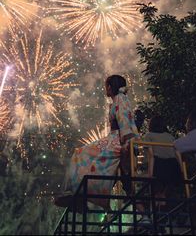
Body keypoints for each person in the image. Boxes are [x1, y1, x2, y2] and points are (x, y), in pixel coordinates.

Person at [56, 75, 139, 210]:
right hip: (116, 140)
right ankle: (79, 194)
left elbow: (124, 120)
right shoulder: (118, 100)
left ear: (110, 87)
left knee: (81, 154)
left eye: (106, 86)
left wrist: (126, 143)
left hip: (118, 141)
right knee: (86, 158)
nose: (105, 89)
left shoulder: (120, 99)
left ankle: (77, 193)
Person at [144, 115, 182, 209]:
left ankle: (156, 210)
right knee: (167, 189)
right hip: (173, 166)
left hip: (158, 165)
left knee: (154, 190)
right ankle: (165, 206)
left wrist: (149, 173)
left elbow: (151, 156)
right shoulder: (170, 137)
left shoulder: (148, 136)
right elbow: (177, 154)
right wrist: (181, 171)